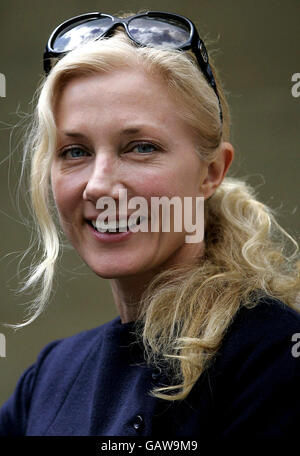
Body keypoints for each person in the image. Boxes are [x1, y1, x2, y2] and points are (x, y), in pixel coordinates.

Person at [0, 10, 300, 443]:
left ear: (211, 172)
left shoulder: (271, 356)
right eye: (74, 151)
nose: (99, 185)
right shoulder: (51, 378)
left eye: (140, 147)